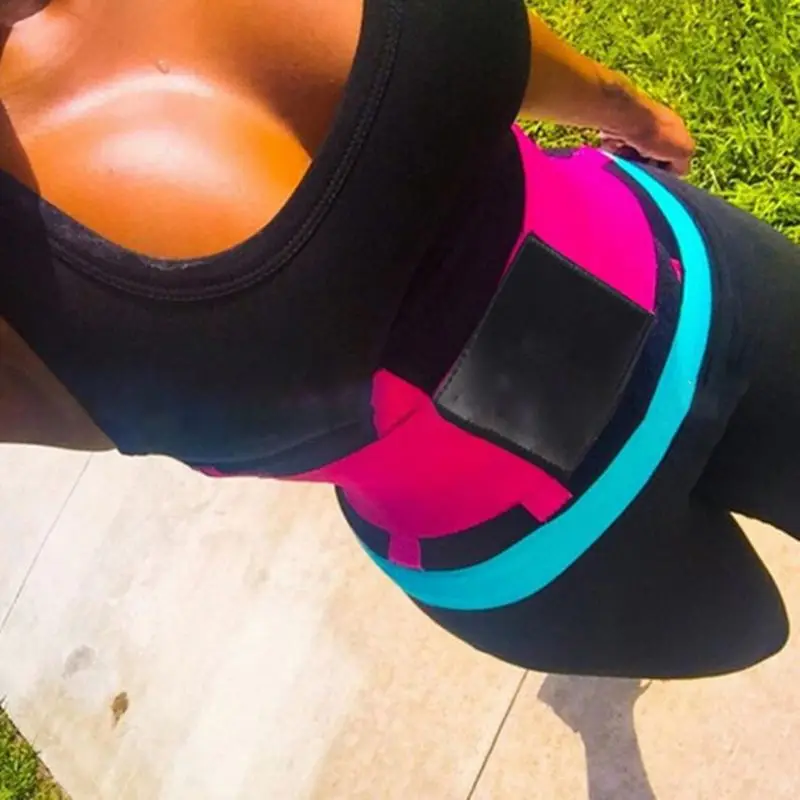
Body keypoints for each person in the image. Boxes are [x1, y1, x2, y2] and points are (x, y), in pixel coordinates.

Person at [1, 0, 798, 679]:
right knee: (748, 631)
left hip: (700, 289)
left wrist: (624, 108)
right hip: (548, 569)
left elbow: (475, 31)